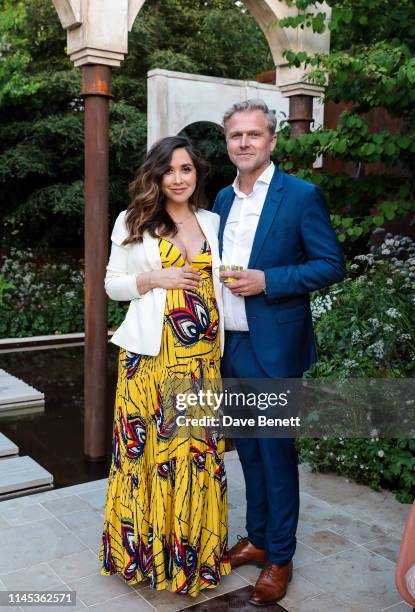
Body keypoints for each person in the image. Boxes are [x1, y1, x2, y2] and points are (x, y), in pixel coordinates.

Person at [213, 99, 345, 606]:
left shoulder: (300, 195)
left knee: (277, 452)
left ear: (272, 140)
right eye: (235, 136)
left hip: (276, 348)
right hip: (230, 347)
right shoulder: (222, 200)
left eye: (253, 134)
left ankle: (281, 557)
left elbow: (330, 265)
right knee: (248, 450)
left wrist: (269, 280)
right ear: (227, 143)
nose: (243, 143)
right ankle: (259, 536)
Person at [99, 136, 231, 597]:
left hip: (201, 360)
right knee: (146, 457)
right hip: (151, 359)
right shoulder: (133, 220)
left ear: (197, 174)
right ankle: (146, 560)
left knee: (195, 457)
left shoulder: (213, 221)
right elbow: (112, 285)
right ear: (155, 176)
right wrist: (155, 277)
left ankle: (194, 558)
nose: (178, 178)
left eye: (187, 169)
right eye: (169, 170)